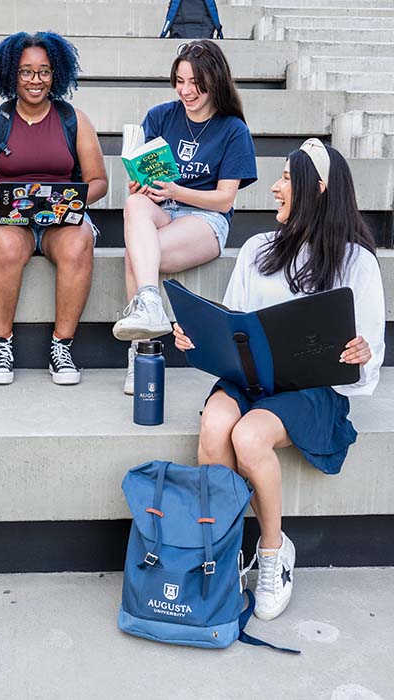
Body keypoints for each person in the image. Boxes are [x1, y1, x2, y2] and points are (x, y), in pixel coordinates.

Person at [173, 140, 385, 621]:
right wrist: (199, 337)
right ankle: (220, 554)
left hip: (310, 390)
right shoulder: (257, 249)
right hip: (250, 379)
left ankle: (272, 554)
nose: (274, 187)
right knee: (213, 426)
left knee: (248, 437)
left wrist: (361, 353)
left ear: (319, 188)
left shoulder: (357, 262)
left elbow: (366, 352)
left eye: (287, 179)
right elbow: (233, 322)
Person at [113, 39, 257, 395]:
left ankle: (140, 354)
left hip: (205, 219)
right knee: (134, 207)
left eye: (195, 82)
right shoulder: (161, 116)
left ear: (215, 81)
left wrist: (176, 191)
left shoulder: (232, 129)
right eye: (180, 80)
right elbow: (143, 185)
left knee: (137, 252)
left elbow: (224, 200)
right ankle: (149, 301)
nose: (186, 90)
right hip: (163, 211)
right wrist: (142, 184)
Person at [0, 31, 108, 385]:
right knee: (6, 243)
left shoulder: (73, 119)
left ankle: (62, 347)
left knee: (79, 242)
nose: (35, 80)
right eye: (26, 71)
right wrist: (9, 202)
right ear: (11, 74)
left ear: (56, 73)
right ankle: (2, 346)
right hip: (8, 213)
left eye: (44, 71)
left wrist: (67, 201)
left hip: (61, 216)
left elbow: (99, 181)